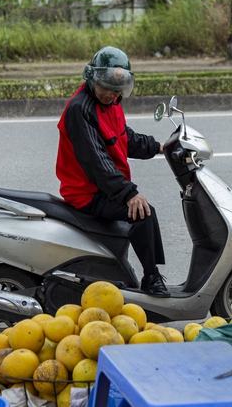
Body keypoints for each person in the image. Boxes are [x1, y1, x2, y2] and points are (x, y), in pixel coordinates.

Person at [56, 46, 169, 298]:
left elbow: (123, 137)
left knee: (140, 208)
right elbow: (96, 163)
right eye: (105, 87)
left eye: (116, 89)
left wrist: (159, 147)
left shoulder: (112, 103)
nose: (110, 94)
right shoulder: (80, 109)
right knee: (144, 213)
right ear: (92, 79)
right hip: (87, 192)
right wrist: (129, 194)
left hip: (105, 187)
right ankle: (151, 278)